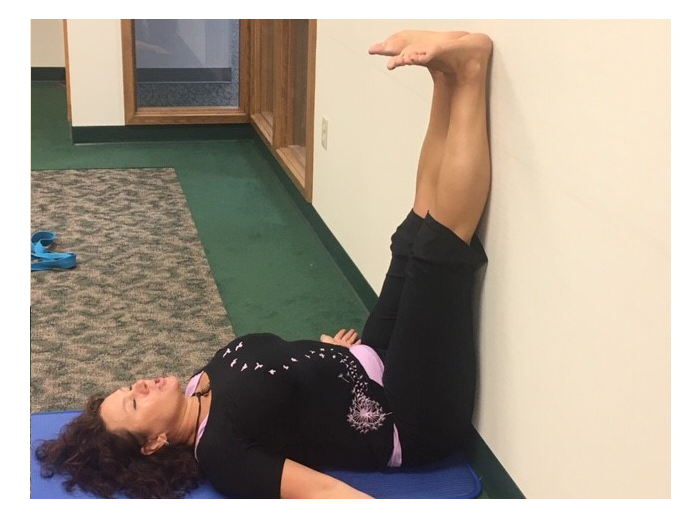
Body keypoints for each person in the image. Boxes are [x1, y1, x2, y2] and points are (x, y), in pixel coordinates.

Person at [34, 30, 495, 499]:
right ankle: (472, 70)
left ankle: (444, 77)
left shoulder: (197, 385)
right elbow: (327, 495)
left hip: (367, 364)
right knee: (436, 254)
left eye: (128, 387)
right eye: (134, 402)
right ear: (153, 444)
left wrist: (328, 360)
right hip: (406, 418)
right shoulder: (221, 454)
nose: (141, 384)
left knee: (411, 234)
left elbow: (287, 396)